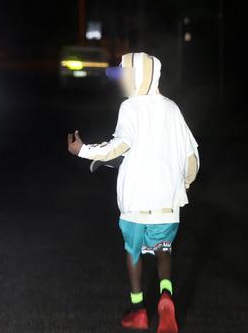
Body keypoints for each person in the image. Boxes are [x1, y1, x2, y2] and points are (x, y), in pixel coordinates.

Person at [67, 52, 199, 333]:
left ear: (138, 77)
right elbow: (191, 157)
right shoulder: (172, 108)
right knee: (164, 248)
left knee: (133, 250)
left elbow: (120, 146)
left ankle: (138, 309)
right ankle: (166, 295)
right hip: (167, 200)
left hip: (136, 199)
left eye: (125, 76)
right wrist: (184, 182)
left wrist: (84, 151)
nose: (121, 82)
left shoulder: (130, 107)